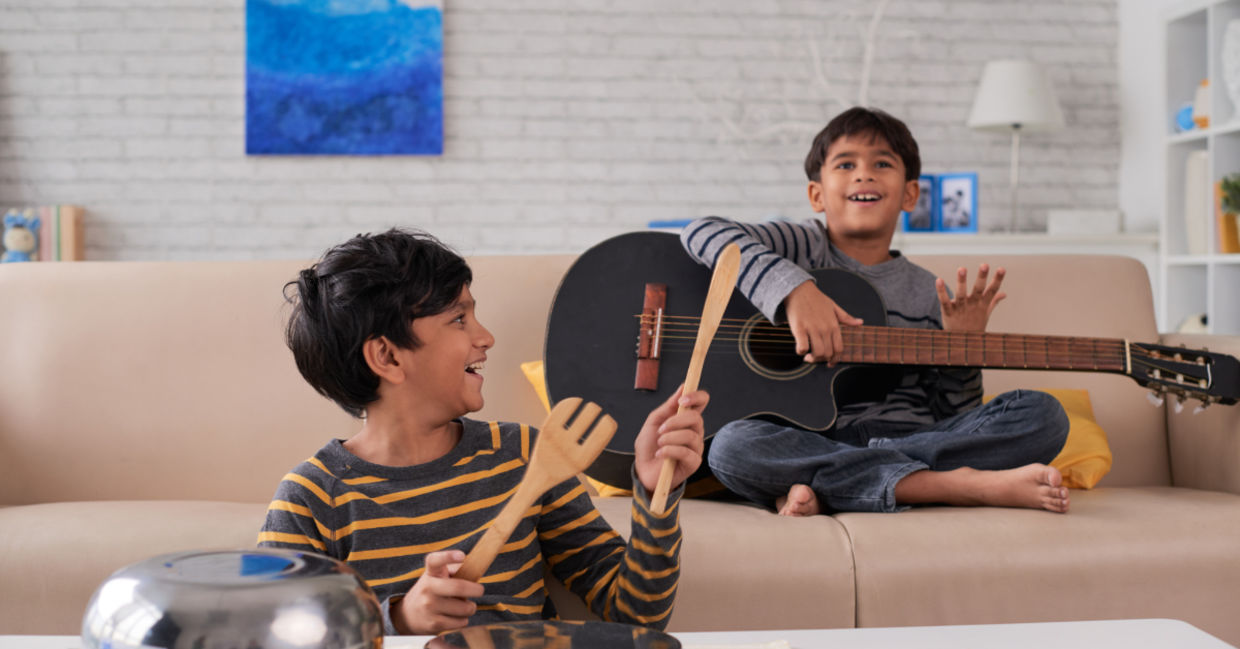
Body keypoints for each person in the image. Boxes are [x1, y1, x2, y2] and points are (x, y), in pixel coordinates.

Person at [259, 228, 708, 635]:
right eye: (459, 319)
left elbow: (636, 615)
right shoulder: (311, 498)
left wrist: (657, 492)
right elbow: (279, 632)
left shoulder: (523, 454)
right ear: (389, 357)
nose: (486, 336)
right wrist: (400, 619)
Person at [678, 106, 1069, 517]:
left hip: (913, 436)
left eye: (882, 164)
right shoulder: (800, 247)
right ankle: (951, 485)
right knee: (731, 446)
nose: (863, 175)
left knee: (1044, 415)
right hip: (814, 439)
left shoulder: (929, 292)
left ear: (910, 194)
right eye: (845, 164)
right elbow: (701, 231)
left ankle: (834, 485)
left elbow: (956, 414)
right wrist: (793, 290)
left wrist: (964, 351)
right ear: (816, 194)